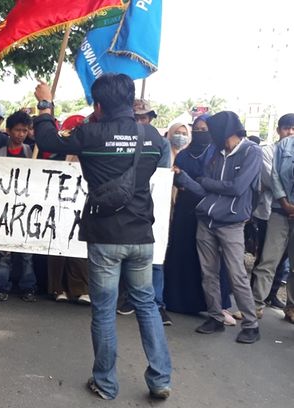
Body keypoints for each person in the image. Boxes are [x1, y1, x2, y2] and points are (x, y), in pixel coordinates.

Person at [33, 73, 172, 401]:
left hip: (105, 236)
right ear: (130, 100)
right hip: (141, 235)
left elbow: (50, 141)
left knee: (105, 309)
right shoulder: (153, 137)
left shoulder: (90, 134)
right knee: (146, 305)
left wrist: (44, 105)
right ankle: (160, 378)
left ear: (97, 105)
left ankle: (106, 383)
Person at [173, 111, 263, 344]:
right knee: (208, 273)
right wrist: (183, 178)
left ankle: (251, 325)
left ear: (224, 130)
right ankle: (215, 317)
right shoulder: (217, 154)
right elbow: (205, 190)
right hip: (207, 220)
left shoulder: (251, 152)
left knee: (237, 274)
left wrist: (206, 182)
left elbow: (237, 187)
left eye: (210, 130)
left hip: (231, 223)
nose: (206, 134)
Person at [117, 99, 173, 325]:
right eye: (136, 117)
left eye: (144, 117)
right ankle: (128, 298)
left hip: (150, 204)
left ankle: (157, 303)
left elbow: (159, 176)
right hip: (125, 203)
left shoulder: (161, 142)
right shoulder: (121, 140)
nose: (141, 121)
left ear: (150, 118)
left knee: (155, 254)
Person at [251, 114, 294, 321]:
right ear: (279, 130)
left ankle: (291, 308)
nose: (291, 132)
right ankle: (255, 304)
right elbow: (273, 176)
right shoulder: (275, 150)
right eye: (287, 128)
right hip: (278, 210)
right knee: (268, 260)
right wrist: (284, 201)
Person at [0, 111, 38, 302]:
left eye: (25, 130)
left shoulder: (32, 153)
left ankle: (28, 287)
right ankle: (2, 286)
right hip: (6, 210)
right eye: (18, 130)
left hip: (27, 210)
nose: (21, 134)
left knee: (26, 252)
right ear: (9, 131)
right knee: (4, 252)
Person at [46, 115, 90, 305]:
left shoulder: (89, 154)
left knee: (79, 247)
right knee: (57, 246)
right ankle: (57, 288)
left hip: (82, 205)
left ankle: (79, 289)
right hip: (57, 206)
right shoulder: (56, 154)